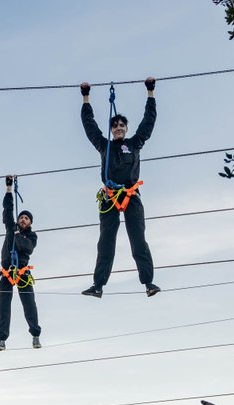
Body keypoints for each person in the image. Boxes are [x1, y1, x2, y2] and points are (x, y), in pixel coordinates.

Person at [79, 77, 160, 298]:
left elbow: (148, 122)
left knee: (138, 240)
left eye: (121, 125)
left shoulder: (134, 143)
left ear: (126, 128)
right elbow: (90, 126)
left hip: (131, 195)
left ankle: (148, 283)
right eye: (114, 126)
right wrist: (85, 97)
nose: (117, 128)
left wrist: (150, 92)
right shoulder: (103, 145)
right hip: (109, 197)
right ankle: (98, 286)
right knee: (106, 241)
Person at [0, 175, 41, 351]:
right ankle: (2, 339)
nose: (22, 219)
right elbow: (8, 210)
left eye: (26, 218)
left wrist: (17, 237)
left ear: (30, 223)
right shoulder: (11, 227)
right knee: (4, 306)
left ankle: (35, 334)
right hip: (7, 271)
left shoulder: (31, 235)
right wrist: (8, 189)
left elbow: (28, 248)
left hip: (22, 272)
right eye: (21, 217)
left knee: (29, 304)